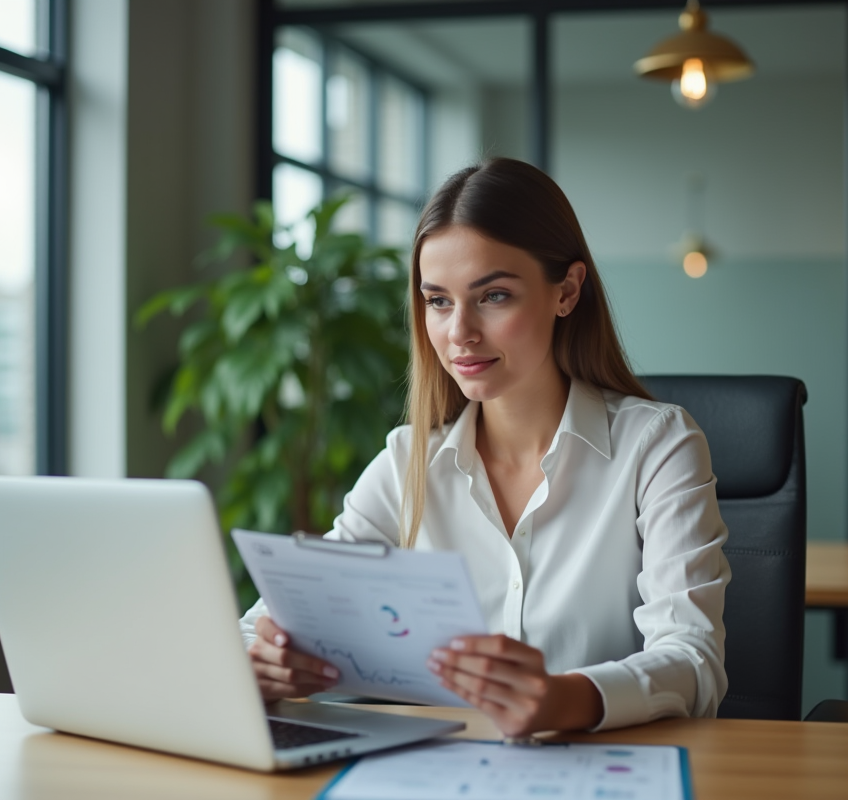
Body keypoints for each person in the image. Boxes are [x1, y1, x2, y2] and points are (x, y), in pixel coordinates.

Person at [239, 157, 730, 736]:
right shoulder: (408, 462)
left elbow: (694, 660)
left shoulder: (657, 445)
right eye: (438, 301)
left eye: (493, 296)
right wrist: (261, 660)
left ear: (567, 291)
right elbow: (272, 621)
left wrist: (565, 697)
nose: (459, 332)